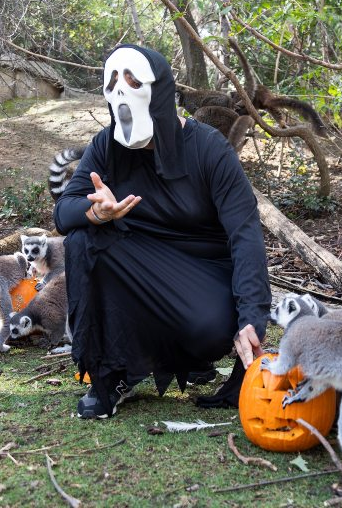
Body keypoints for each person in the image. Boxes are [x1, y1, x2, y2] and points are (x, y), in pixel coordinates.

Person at [54, 44, 271, 419]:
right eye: (112, 81)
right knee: (82, 239)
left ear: (160, 90)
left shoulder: (208, 149)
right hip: (138, 262)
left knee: (211, 329)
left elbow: (245, 234)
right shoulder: (106, 146)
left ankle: (185, 356)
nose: (122, 89)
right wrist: (96, 212)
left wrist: (252, 315)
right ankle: (111, 374)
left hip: (204, 272)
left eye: (134, 80)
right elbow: (63, 212)